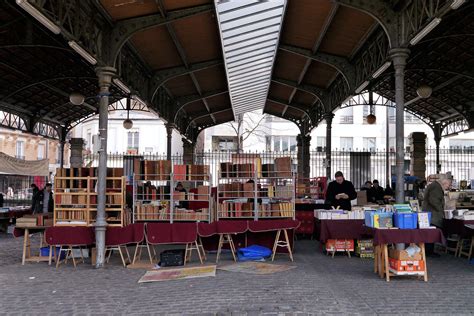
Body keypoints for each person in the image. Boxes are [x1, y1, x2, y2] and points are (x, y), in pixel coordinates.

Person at [422, 178, 451, 256]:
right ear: (444, 183)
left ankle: (429, 251)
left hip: (430, 214)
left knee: (430, 233)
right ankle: (429, 251)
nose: (448, 187)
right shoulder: (436, 187)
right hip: (433, 215)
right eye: (448, 185)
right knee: (431, 233)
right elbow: (434, 200)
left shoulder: (434, 186)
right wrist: (441, 209)